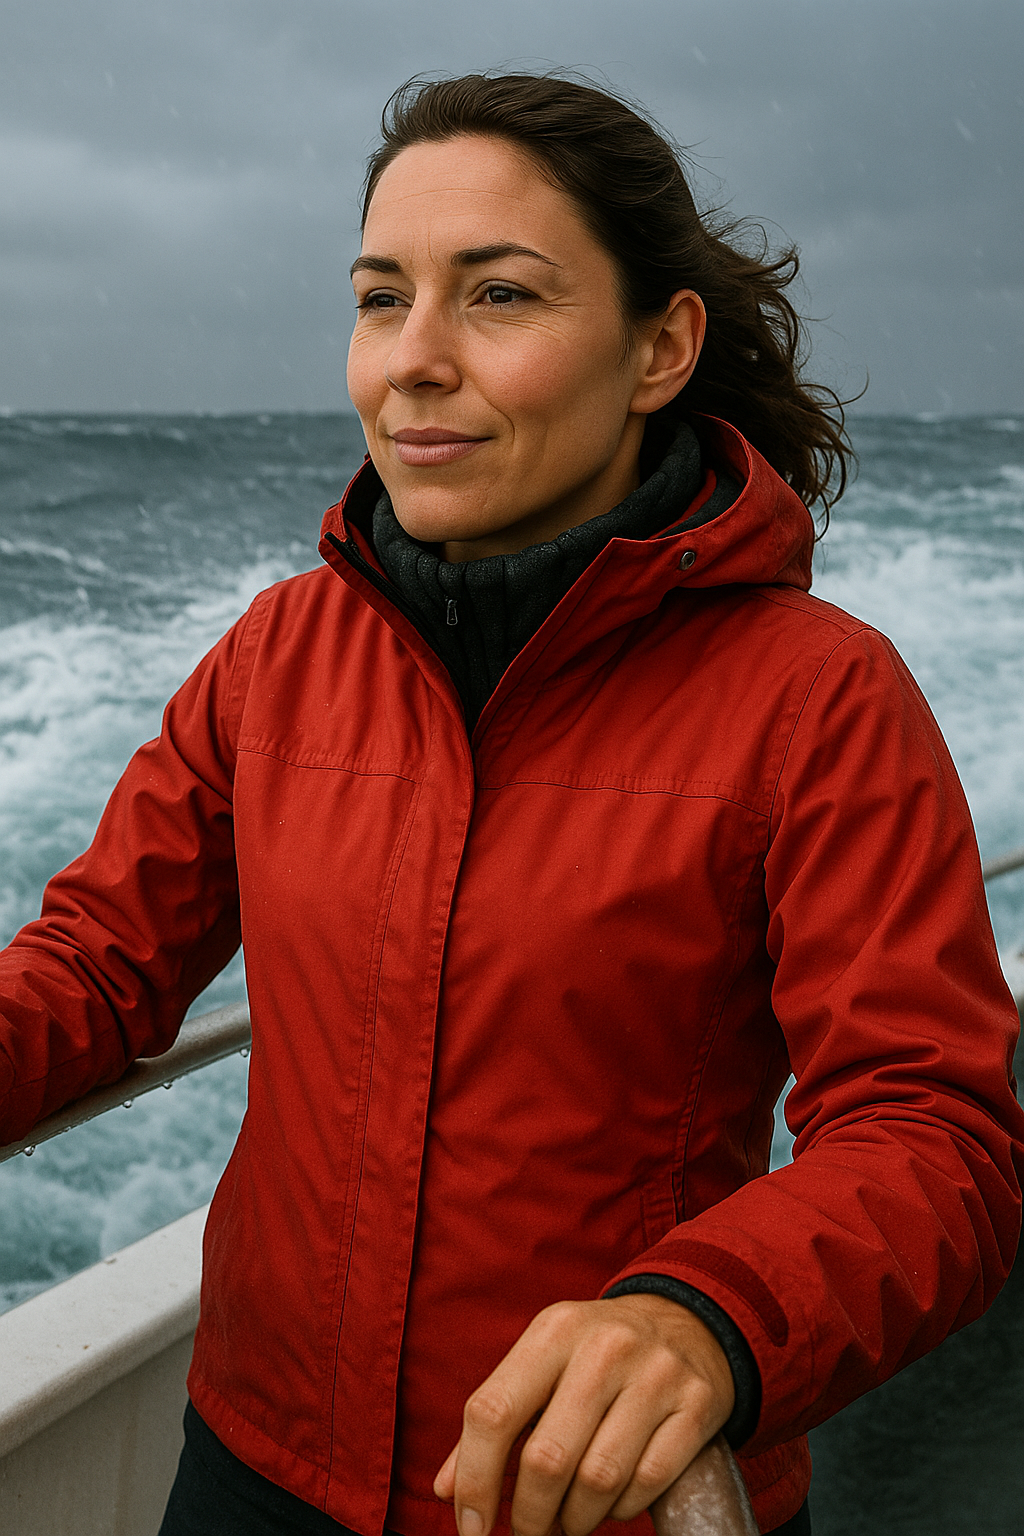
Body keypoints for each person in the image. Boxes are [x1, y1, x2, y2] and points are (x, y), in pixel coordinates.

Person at [1, 71, 1021, 1536]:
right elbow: (97, 965)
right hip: (251, 1472)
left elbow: (935, 1136)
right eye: (378, 297)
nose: (410, 361)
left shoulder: (820, 698)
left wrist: (701, 1321)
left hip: (597, 1501)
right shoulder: (278, 656)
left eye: (497, 298)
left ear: (660, 346)